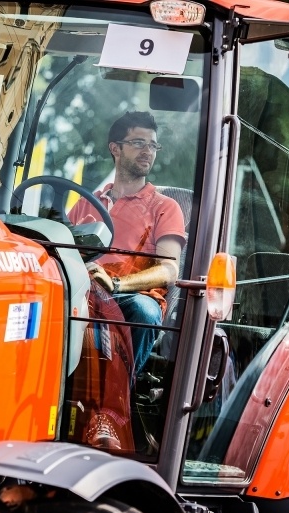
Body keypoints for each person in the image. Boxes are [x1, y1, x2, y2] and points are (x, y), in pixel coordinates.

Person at [69, 111, 186, 377]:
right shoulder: (86, 203)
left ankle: (118, 396)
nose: (148, 151)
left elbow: (169, 270)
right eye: (138, 142)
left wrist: (117, 284)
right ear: (115, 148)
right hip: (84, 290)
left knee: (144, 312)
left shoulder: (164, 207)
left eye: (153, 145)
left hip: (129, 297)